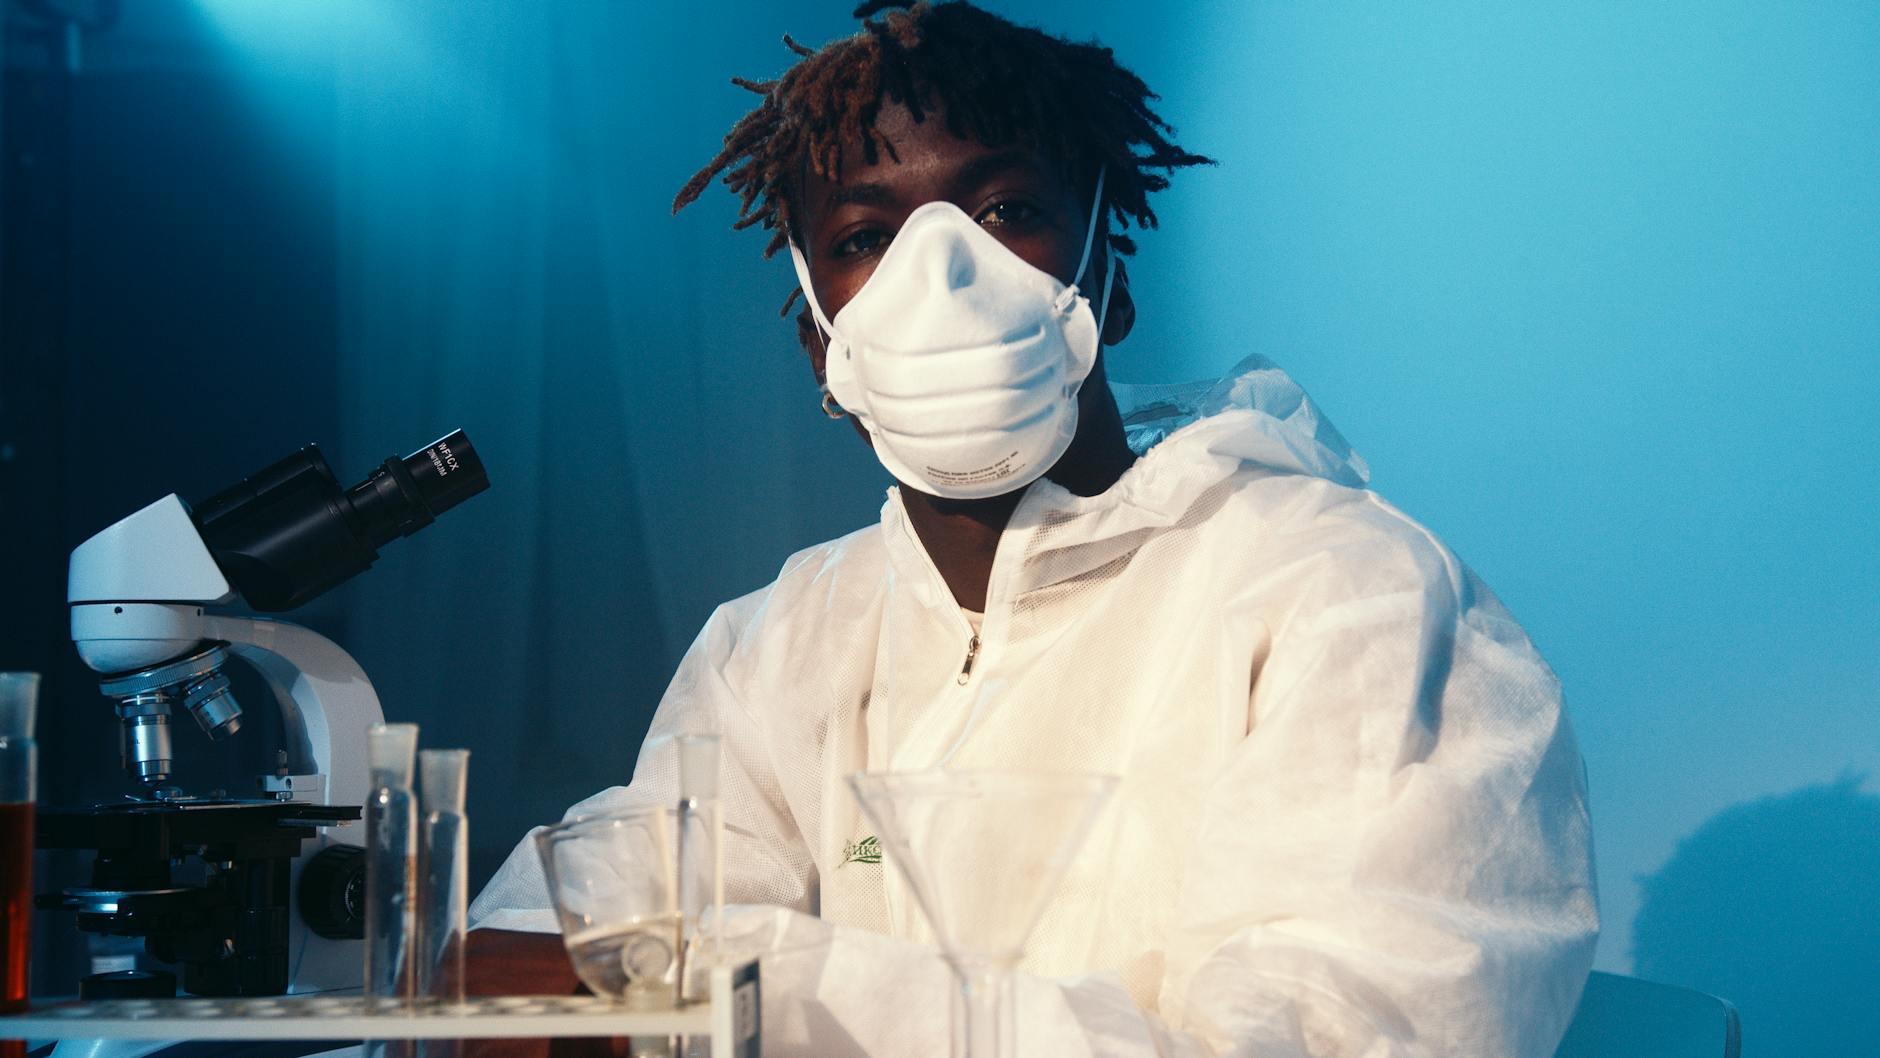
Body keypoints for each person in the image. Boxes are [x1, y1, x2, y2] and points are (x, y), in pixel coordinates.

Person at [465, 3, 1599, 1055]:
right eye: (865, 237)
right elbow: (563, 937)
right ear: (819, 342)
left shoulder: (1345, 598)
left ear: (1108, 278)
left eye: (1007, 210)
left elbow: (1336, 1030)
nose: (940, 279)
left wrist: (740, 984)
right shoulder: (780, 645)